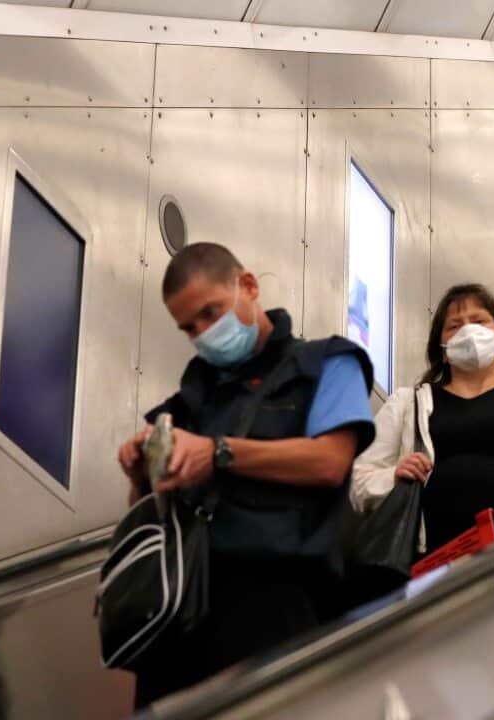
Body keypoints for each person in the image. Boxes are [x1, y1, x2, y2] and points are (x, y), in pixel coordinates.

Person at [116, 243, 376, 707]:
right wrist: (141, 475)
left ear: (248, 286)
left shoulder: (327, 364)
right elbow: (151, 511)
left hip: (275, 601)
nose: (203, 333)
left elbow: (329, 462)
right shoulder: (189, 399)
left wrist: (219, 452)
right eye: (189, 327)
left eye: (210, 313)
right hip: (183, 607)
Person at [351, 284, 494, 555]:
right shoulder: (407, 404)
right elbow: (359, 483)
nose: (468, 331)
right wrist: (393, 476)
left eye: (479, 321)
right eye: (454, 326)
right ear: (442, 350)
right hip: (429, 563)